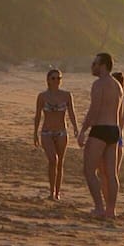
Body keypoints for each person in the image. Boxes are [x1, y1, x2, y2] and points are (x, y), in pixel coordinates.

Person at [78, 53, 124, 219]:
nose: (92, 66)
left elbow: (94, 109)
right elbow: (120, 113)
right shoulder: (118, 86)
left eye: (95, 63)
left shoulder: (99, 84)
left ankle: (99, 207)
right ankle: (111, 210)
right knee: (111, 174)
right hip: (114, 130)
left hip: (100, 129)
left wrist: (83, 130)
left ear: (103, 65)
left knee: (89, 170)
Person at [33, 69, 79, 201]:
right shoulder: (42, 96)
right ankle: (51, 191)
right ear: (48, 80)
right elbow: (37, 116)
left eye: (59, 78)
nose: (56, 81)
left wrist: (75, 127)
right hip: (47, 132)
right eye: (53, 78)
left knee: (60, 163)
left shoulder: (66, 95)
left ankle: (57, 193)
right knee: (53, 160)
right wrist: (35, 133)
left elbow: (71, 113)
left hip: (61, 132)